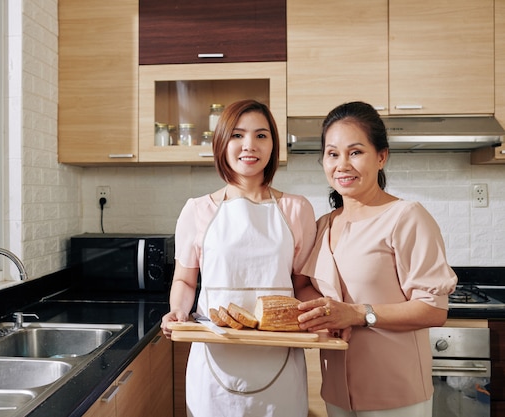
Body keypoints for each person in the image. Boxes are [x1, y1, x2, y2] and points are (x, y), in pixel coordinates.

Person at [296, 101, 458, 417]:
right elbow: (302, 286)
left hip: (394, 393)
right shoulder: (323, 224)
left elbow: (433, 309)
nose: (342, 164)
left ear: (381, 157)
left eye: (355, 152)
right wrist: (325, 313)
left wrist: (357, 314)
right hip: (337, 390)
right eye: (332, 154)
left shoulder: (406, 217)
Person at [160, 99, 318, 417]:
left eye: (261, 135)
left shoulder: (297, 209)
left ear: (273, 144)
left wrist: (323, 314)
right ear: (222, 142)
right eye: (237, 135)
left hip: (280, 361)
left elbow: (302, 286)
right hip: (213, 359)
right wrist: (178, 311)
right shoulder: (196, 210)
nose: (249, 145)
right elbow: (184, 279)